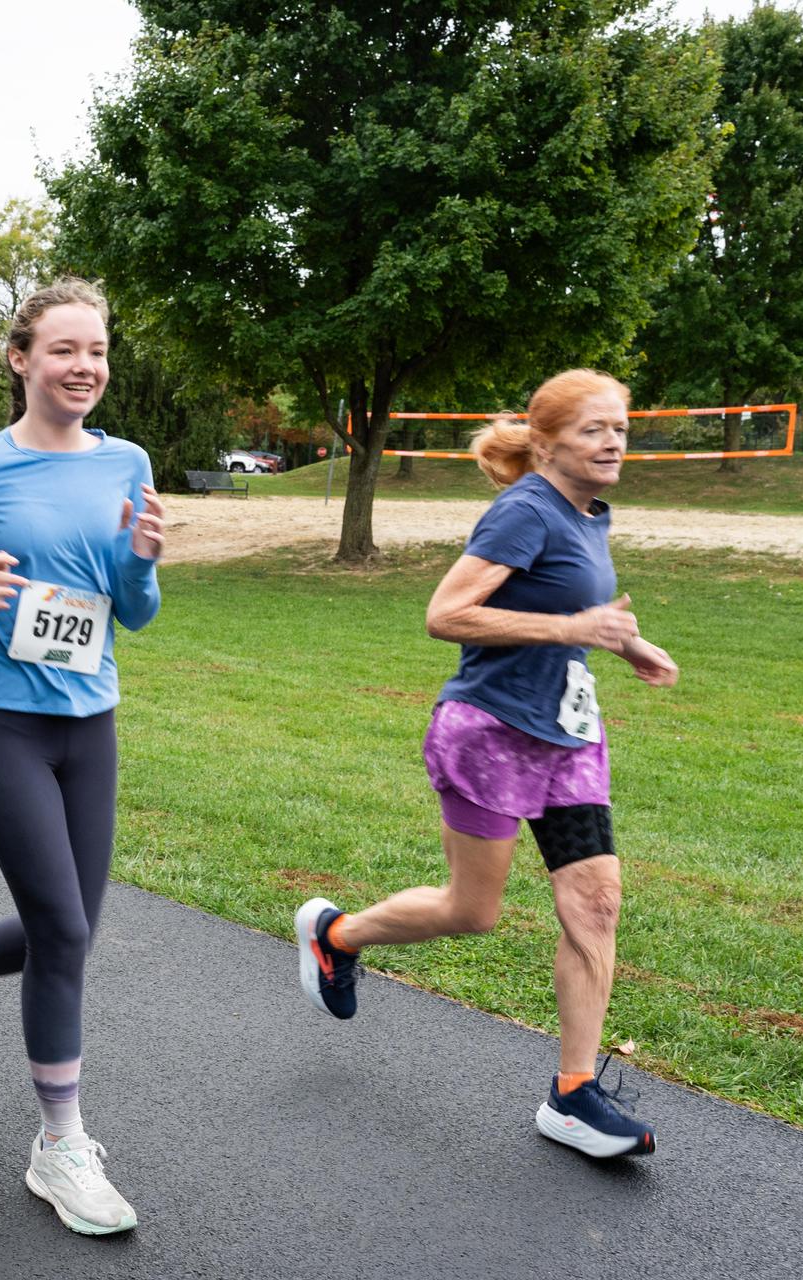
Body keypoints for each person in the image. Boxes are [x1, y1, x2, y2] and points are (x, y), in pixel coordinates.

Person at [295, 368, 677, 1160]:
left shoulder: (587, 513)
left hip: (566, 740)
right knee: (473, 911)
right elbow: (447, 614)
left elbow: (573, 609)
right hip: (491, 732)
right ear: (545, 442)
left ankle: (573, 1095)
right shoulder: (523, 511)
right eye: (593, 431)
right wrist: (576, 629)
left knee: (597, 902)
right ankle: (338, 935)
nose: (613, 444)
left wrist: (624, 641)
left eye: (621, 431)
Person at [0, 278, 164, 1237]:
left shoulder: (128, 461)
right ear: (21, 359)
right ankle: (61, 1145)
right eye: (64, 350)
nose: (84, 367)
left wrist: (138, 561)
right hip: (2, 722)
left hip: (91, 724)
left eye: (96, 351)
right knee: (61, 927)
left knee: (72, 928)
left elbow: (137, 610)